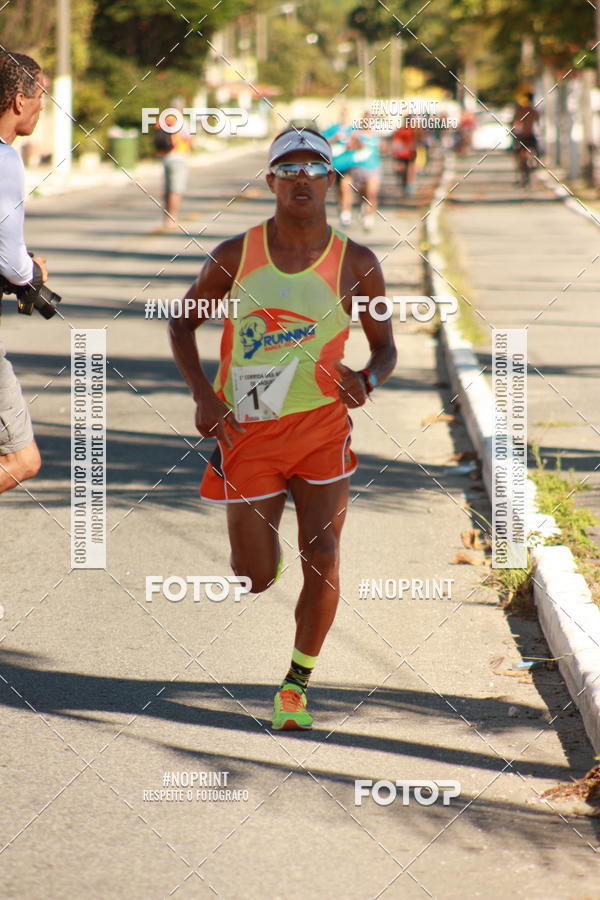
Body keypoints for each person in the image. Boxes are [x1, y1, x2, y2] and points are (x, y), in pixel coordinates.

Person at [169, 127, 397, 730]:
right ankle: (251, 549)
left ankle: (296, 684)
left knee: (322, 552)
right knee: (255, 575)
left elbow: (386, 348)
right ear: (270, 180)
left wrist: (367, 380)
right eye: (288, 167)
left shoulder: (358, 263)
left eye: (314, 167)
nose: (302, 176)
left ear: (330, 180)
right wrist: (202, 395)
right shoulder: (234, 255)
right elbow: (180, 323)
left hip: (322, 430)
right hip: (247, 433)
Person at [0, 51, 47, 500]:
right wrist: (33, 269)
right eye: (41, 97)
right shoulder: (5, 160)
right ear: (18, 100)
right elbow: (13, 264)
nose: (42, 107)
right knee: (21, 459)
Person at [339, 113, 383, 231]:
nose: (368, 122)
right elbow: (348, 147)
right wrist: (356, 143)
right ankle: (352, 210)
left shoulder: (377, 136)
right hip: (356, 168)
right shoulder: (356, 134)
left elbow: (384, 149)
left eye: (370, 120)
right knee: (356, 190)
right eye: (366, 120)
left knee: (372, 193)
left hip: (373, 168)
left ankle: (369, 219)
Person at [155, 100, 192, 231]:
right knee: (176, 189)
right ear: (181, 108)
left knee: (167, 188)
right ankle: (172, 218)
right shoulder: (181, 120)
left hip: (165, 157)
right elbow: (187, 137)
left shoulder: (163, 119)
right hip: (178, 156)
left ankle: (166, 217)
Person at [512, 91, 539, 186]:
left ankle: (523, 174)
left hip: (523, 137)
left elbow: (515, 124)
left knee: (519, 157)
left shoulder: (521, 111)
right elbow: (538, 124)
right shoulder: (534, 111)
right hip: (531, 137)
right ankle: (530, 171)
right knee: (533, 155)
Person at [391, 117, 417, 196]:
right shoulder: (404, 130)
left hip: (408, 153)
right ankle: (407, 185)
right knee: (407, 169)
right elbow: (396, 142)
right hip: (404, 153)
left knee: (409, 168)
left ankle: (408, 185)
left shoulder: (413, 129)